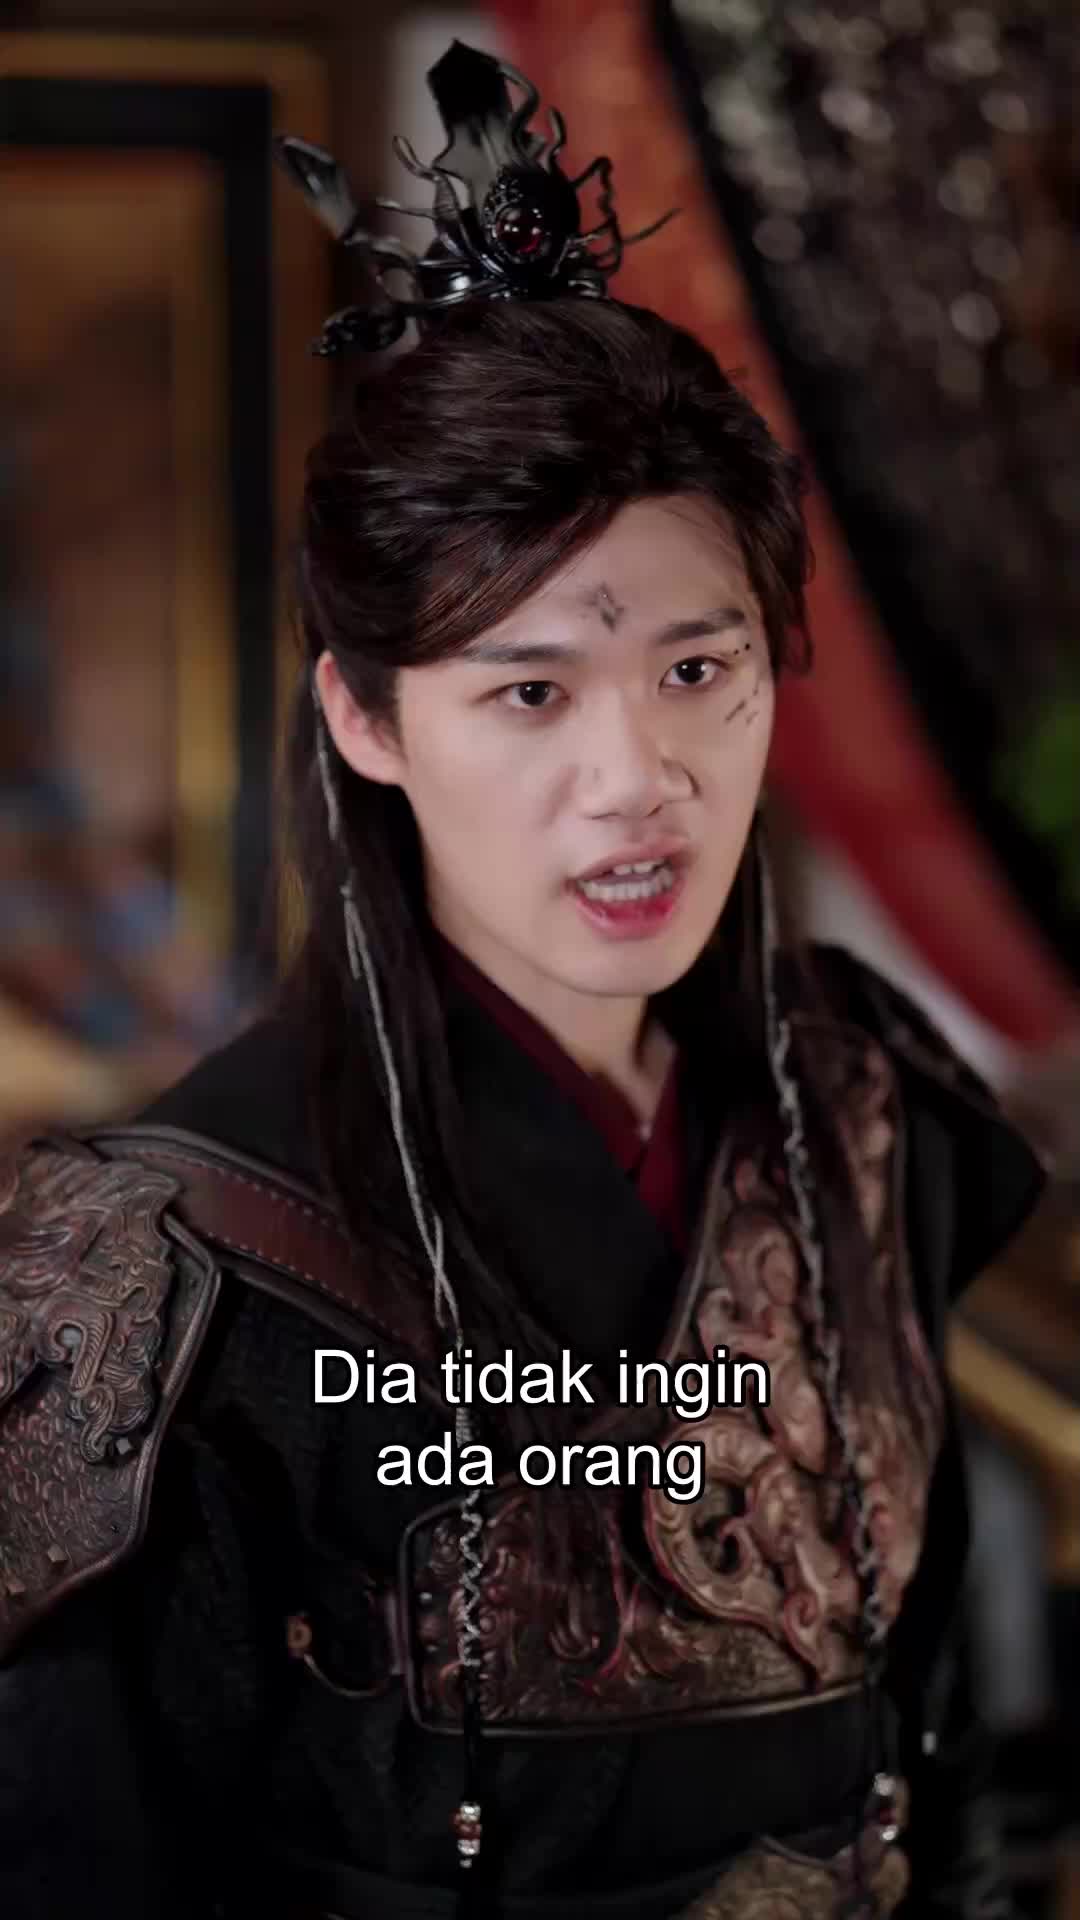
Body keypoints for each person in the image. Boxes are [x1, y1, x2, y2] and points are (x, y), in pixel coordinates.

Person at [0, 40, 1045, 1920]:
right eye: (531, 690)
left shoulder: (868, 1111)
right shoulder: (151, 1279)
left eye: (697, 671)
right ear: (366, 717)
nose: (636, 779)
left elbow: (940, 1755)